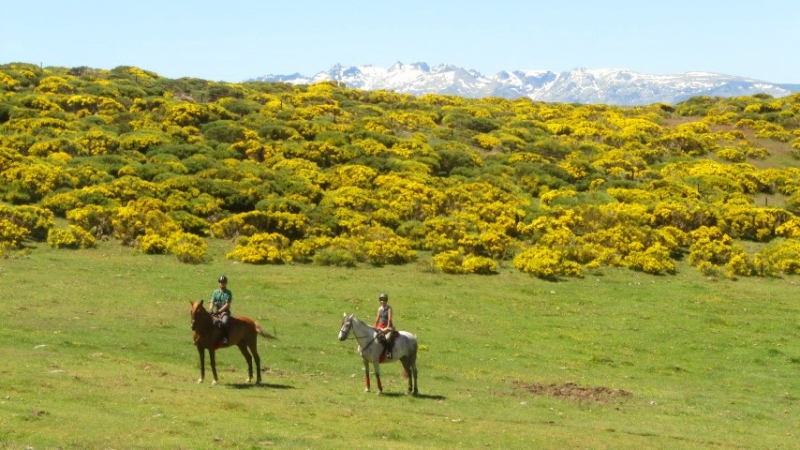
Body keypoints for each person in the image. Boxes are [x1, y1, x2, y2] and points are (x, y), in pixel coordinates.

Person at [210, 275, 232, 344]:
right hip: (216, 311)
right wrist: (211, 309)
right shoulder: (215, 292)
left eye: (223, 282)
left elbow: (227, 304)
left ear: (226, 283)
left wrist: (219, 311)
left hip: (224, 312)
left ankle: (225, 338)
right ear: (218, 283)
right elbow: (212, 302)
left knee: (224, 322)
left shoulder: (228, 293)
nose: (222, 283)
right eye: (220, 282)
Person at [374, 293, 395, 358]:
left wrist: (387, 328)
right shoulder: (379, 309)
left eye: (384, 300)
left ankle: (389, 352)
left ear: (386, 300)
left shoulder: (389, 308)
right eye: (381, 300)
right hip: (381, 326)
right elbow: (377, 318)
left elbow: (389, 318)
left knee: (387, 338)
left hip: (388, 327)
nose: (383, 301)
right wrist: (375, 327)